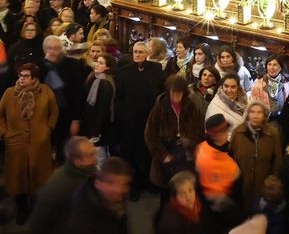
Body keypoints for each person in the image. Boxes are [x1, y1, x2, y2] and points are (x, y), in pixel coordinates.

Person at [0, 62, 60, 225]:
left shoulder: (45, 91)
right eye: (20, 75)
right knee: (18, 177)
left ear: (34, 78)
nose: (22, 79)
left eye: (26, 76)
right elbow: (0, 116)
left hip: (39, 143)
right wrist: (5, 134)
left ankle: (36, 207)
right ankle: (21, 208)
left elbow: (54, 111)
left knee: (38, 175)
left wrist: (48, 129)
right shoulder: (9, 93)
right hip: (15, 143)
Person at [114, 40, 165, 200]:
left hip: (150, 119)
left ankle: (149, 182)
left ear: (147, 54)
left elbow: (161, 92)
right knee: (132, 155)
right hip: (131, 122)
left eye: (141, 52)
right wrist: (124, 116)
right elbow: (118, 99)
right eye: (135, 52)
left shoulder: (156, 69)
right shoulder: (123, 72)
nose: (137, 54)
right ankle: (133, 186)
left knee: (148, 153)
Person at [146, 74, 207, 191]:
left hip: (186, 156)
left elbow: (200, 130)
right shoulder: (160, 108)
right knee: (167, 191)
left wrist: (190, 141)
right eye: (173, 92)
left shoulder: (190, 107)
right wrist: (163, 154)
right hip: (167, 154)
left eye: (179, 92)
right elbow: (149, 134)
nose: (176, 96)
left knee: (186, 188)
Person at [29, 136, 98, 234]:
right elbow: (39, 224)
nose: (95, 159)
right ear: (78, 162)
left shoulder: (89, 173)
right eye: (91, 155)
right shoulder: (59, 187)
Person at [231, 101, 284, 211]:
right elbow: (231, 156)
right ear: (248, 114)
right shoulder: (238, 132)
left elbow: (277, 158)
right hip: (242, 183)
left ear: (264, 115)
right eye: (252, 112)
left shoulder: (272, 133)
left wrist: (273, 178)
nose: (255, 115)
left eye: (259, 112)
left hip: (264, 183)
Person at [63, 156, 134, 234]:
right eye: (111, 182)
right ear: (98, 183)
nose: (120, 189)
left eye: (125, 184)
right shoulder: (84, 220)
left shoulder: (115, 199)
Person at [197, 113, 244, 230]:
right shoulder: (209, 156)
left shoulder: (224, 146)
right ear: (213, 134)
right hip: (221, 208)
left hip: (229, 200)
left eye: (225, 130)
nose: (225, 133)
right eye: (221, 131)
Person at [80, 53, 117, 156]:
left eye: (101, 63)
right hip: (93, 125)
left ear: (108, 67)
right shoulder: (95, 78)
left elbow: (102, 109)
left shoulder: (104, 83)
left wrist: (96, 131)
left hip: (99, 128)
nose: (97, 65)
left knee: (99, 157)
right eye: (97, 62)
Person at [206, 72, 248, 136]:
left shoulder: (244, 101)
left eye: (233, 87)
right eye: (226, 86)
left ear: (238, 88)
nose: (229, 90)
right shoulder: (214, 105)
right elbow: (212, 133)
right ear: (222, 86)